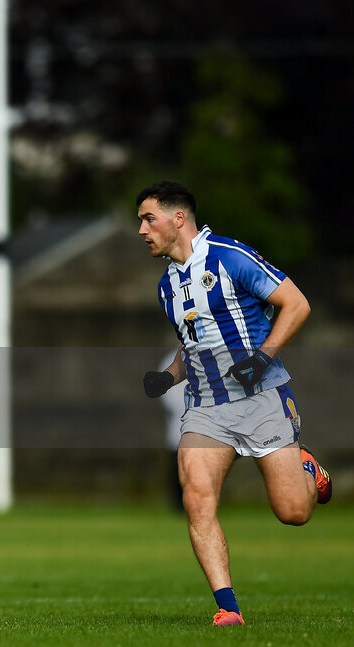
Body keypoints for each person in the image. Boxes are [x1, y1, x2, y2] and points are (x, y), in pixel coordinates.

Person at [137, 181, 331, 627]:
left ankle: (307, 469)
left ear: (178, 219)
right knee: (197, 498)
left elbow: (296, 305)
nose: (142, 230)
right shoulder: (168, 286)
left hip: (262, 399)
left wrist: (262, 359)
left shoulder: (229, 256)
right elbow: (191, 347)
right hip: (205, 407)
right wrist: (167, 376)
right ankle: (228, 607)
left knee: (294, 513)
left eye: (149, 219)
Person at [157, 348, 186, 512]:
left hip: (207, 424)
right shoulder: (171, 359)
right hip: (179, 424)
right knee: (178, 466)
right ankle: (179, 505)